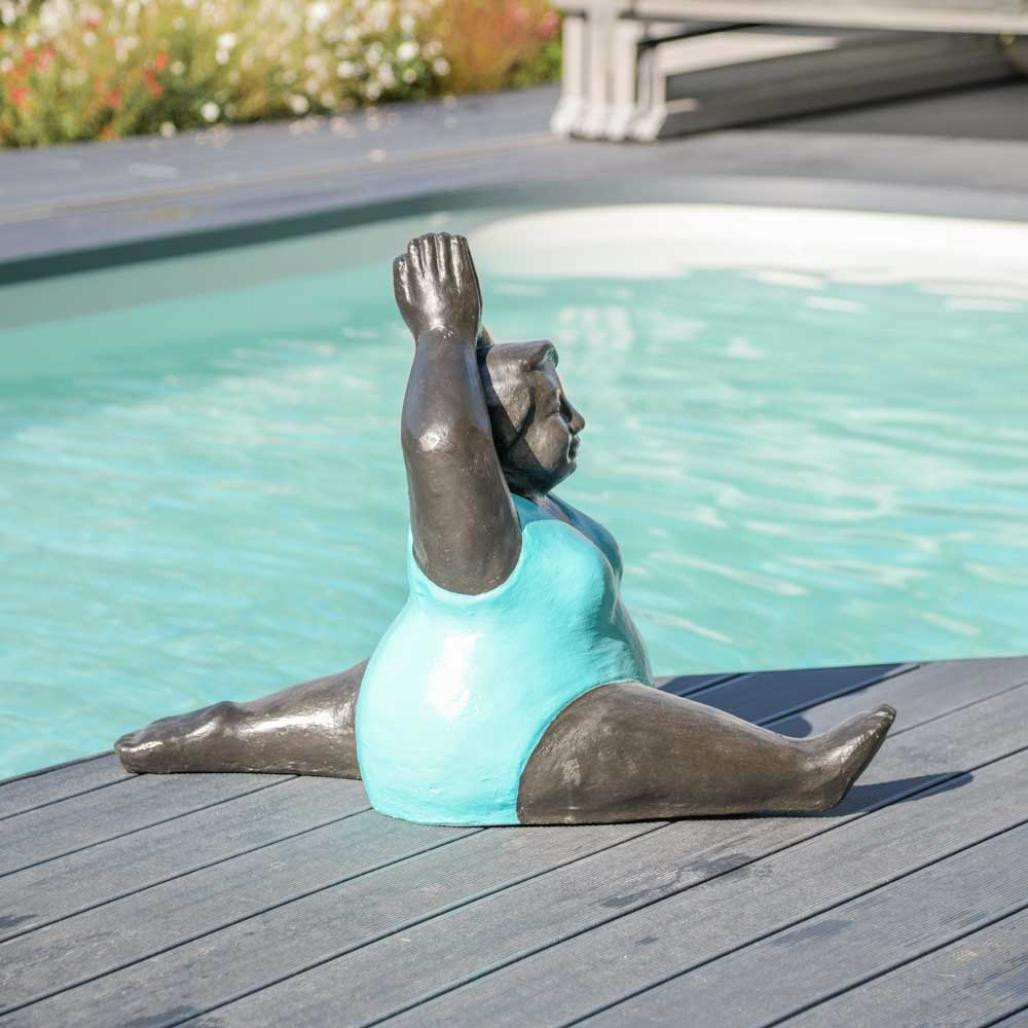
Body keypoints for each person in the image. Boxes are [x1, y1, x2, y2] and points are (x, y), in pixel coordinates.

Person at [115, 233, 895, 826]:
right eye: (555, 411)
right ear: (501, 438)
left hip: (433, 705)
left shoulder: (535, 509)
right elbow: (439, 443)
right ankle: (798, 774)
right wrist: (441, 335)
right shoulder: (481, 540)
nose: (577, 420)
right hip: (498, 742)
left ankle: (217, 731)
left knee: (359, 694)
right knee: (619, 728)